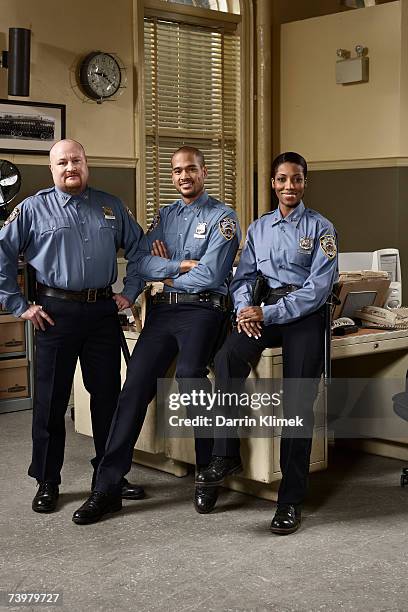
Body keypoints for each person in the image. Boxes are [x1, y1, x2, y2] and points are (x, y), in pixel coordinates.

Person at [0, 139, 179, 514]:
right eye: (62, 162)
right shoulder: (32, 209)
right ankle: (48, 480)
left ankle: (110, 475)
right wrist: (20, 306)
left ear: (86, 163)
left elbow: (140, 250)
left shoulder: (111, 206)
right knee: (50, 402)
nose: (70, 167)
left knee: (108, 399)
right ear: (52, 169)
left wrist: (130, 292)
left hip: (101, 312)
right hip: (54, 313)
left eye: (76, 160)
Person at [72, 145, 242, 524]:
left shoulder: (223, 218)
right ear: (172, 176)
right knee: (134, 386)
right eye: (178, 171)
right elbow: (138, 261)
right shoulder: (166, 215)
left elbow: (212, 275)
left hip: (204, 310)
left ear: (204, 172)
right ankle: (107, 487)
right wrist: (175, 266)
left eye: (191, 170)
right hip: (164, 310)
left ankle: (207, 475)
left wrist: (162, 271)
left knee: (190, 375)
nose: (185, 176)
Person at [207, 151, 338, 535]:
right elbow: (243, 276)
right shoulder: (259, 228)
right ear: (273, 183)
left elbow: (317, 290)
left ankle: (290, 500)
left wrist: (269, 313)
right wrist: (246, 307)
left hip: (302, 317)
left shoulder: (322, 228)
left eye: (296, 179)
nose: (289, 187)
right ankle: (225, 454)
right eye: (282, 180)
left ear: (304, 182)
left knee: (298, 400)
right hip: (263, 310)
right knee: (228, 359)